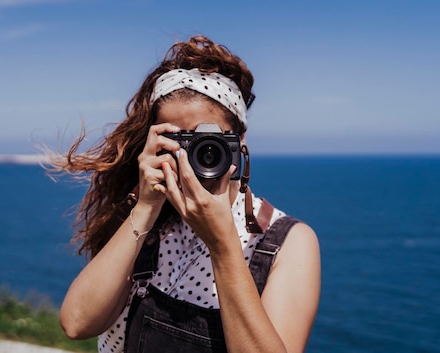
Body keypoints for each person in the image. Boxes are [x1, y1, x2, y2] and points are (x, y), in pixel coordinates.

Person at [51, 35, 320, 353]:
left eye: (209, 143)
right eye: (178, 142)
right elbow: (77, 322)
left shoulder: (282, 242)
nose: (194, 157)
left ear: (240, 140)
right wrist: (145, 208)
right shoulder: (147, 215)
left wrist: (223, 247)